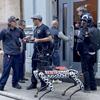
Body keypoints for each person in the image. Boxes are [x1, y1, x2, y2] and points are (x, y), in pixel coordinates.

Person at [27, 15, 53, 90]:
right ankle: (33, 83)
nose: (33, 21)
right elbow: (36, 39)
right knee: (34, 67)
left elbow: (50, 38)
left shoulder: (45, 27)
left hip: (43, 52)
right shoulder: (36, 29)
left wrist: (38, 40)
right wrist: (31, 39)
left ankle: (43, 85)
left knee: (42, 68)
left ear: (38, 20)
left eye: (33, 20)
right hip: (36, 51)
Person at [0, 16, 25, 91]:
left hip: (17, 54)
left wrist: (25, 40)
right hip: (8, 55)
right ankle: (1, 85)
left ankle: (15, 83)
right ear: (10, 23)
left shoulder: (18, 31)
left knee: (16, 70)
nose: (16, 23)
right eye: (14, 21)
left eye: (16, 21)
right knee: (6, 71)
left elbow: (23, 38)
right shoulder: (4, 31)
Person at [76, 14, 97, 91]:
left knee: (85, 70)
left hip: (85, 53)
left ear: (87, 21)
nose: (82, 22)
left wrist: (78, 49)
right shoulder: (94, 29)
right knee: (91, 69)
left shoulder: (82, 30)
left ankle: (87, 87)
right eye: (82, 20)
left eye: (83, 21)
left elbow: (80, 41)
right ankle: (93, 87)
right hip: (93, 53)